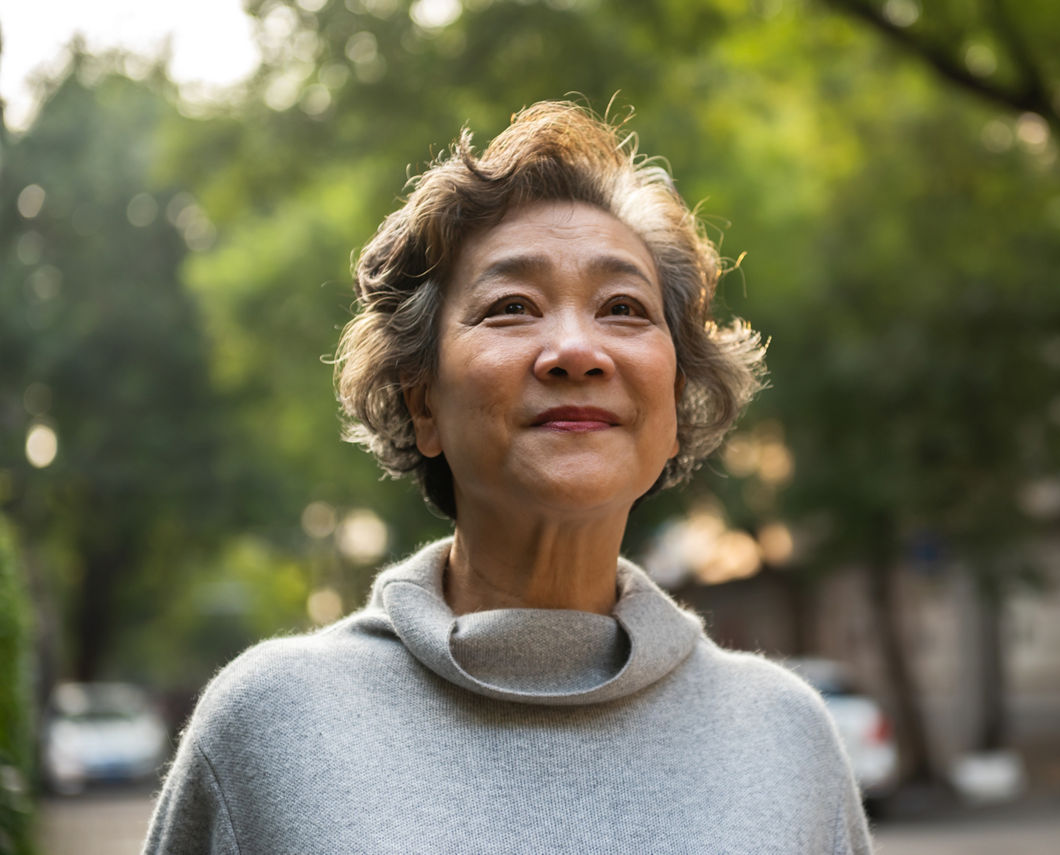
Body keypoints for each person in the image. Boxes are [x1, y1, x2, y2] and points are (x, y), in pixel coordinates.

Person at [143, 101, 875, 854]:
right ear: (420, 401)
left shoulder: (787, 739)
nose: (575, 350)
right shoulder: (270, 727)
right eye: (511, 307)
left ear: (676, 408)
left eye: (622, 307)